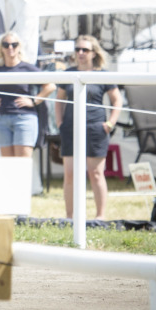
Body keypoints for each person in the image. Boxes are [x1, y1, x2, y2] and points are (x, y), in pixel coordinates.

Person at [55, 35, 122, 220]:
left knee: (96, 174)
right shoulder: (68, 73)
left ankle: (100, 216)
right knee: (70, 174)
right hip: (70, 128)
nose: (81, 53)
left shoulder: (103, 74)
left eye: (85, 50)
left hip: (95, 128)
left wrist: (110, 123)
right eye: (78, 49)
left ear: (94, 53)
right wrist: (60, 123)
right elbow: (59, 100)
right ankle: (70, 217)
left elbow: (117, 100)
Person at [0, 31, 55, 158]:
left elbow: (50, 86)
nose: (10, 48)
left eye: (14, 44)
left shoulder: (27, 68)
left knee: (22, 163)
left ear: (19, 47)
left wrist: (34, 101)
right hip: (2, 119)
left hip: (24, 118)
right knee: (7, 164)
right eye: (6, 45)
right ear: (1, 48)